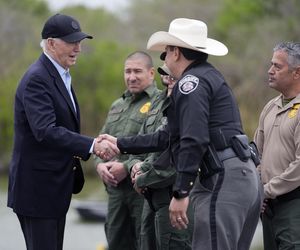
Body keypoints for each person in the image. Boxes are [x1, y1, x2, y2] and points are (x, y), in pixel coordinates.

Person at [99, 18, 263, 250]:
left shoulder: (191, 83)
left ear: (176, 52)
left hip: (223, 178)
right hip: (239, 175)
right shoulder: (207, 76)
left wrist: (181, 192)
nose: (164, 59)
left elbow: (192, 139)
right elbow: (167, 137)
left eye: (166, 52)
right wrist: (120, 143)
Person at [6, 13, 117, 250]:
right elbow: (45, 131)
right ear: (51, 43)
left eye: (80, 41)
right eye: (71, 42)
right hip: (37, 192)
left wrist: (93, 141)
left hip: (54, 190)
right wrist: (92, 145)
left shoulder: (59, 74)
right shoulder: (37, 78)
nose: (78, 48)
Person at [94, 51, 161, 250]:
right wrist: (99, 167)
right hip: (115, 193)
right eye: (127, 71)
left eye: (137, 71)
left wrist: (125, 166)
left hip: (142, 191)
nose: (131, 77)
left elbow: (161, 147)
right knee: (115, 241)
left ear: (151, 73)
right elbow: (100, 141)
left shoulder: (160, 103)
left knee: (146, 242)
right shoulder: (117, 105)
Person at [128, 64, 193, 250]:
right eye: (165, 73)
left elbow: (174, 157)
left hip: (175, 196)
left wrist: (142, 176)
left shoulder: (189, 107)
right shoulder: (157, 103)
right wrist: (134, 165)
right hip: (150, 197)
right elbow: (142, 142)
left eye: (173, 74)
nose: (168, 78)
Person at [254, 42, 300, 250]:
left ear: (296, 73)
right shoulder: (270, 107)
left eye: (277, 66)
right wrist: (257, 190)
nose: (270, 71)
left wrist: (267, 190)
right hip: (268, 205)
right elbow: (256, 154)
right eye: (271, 64)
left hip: (293, 205)